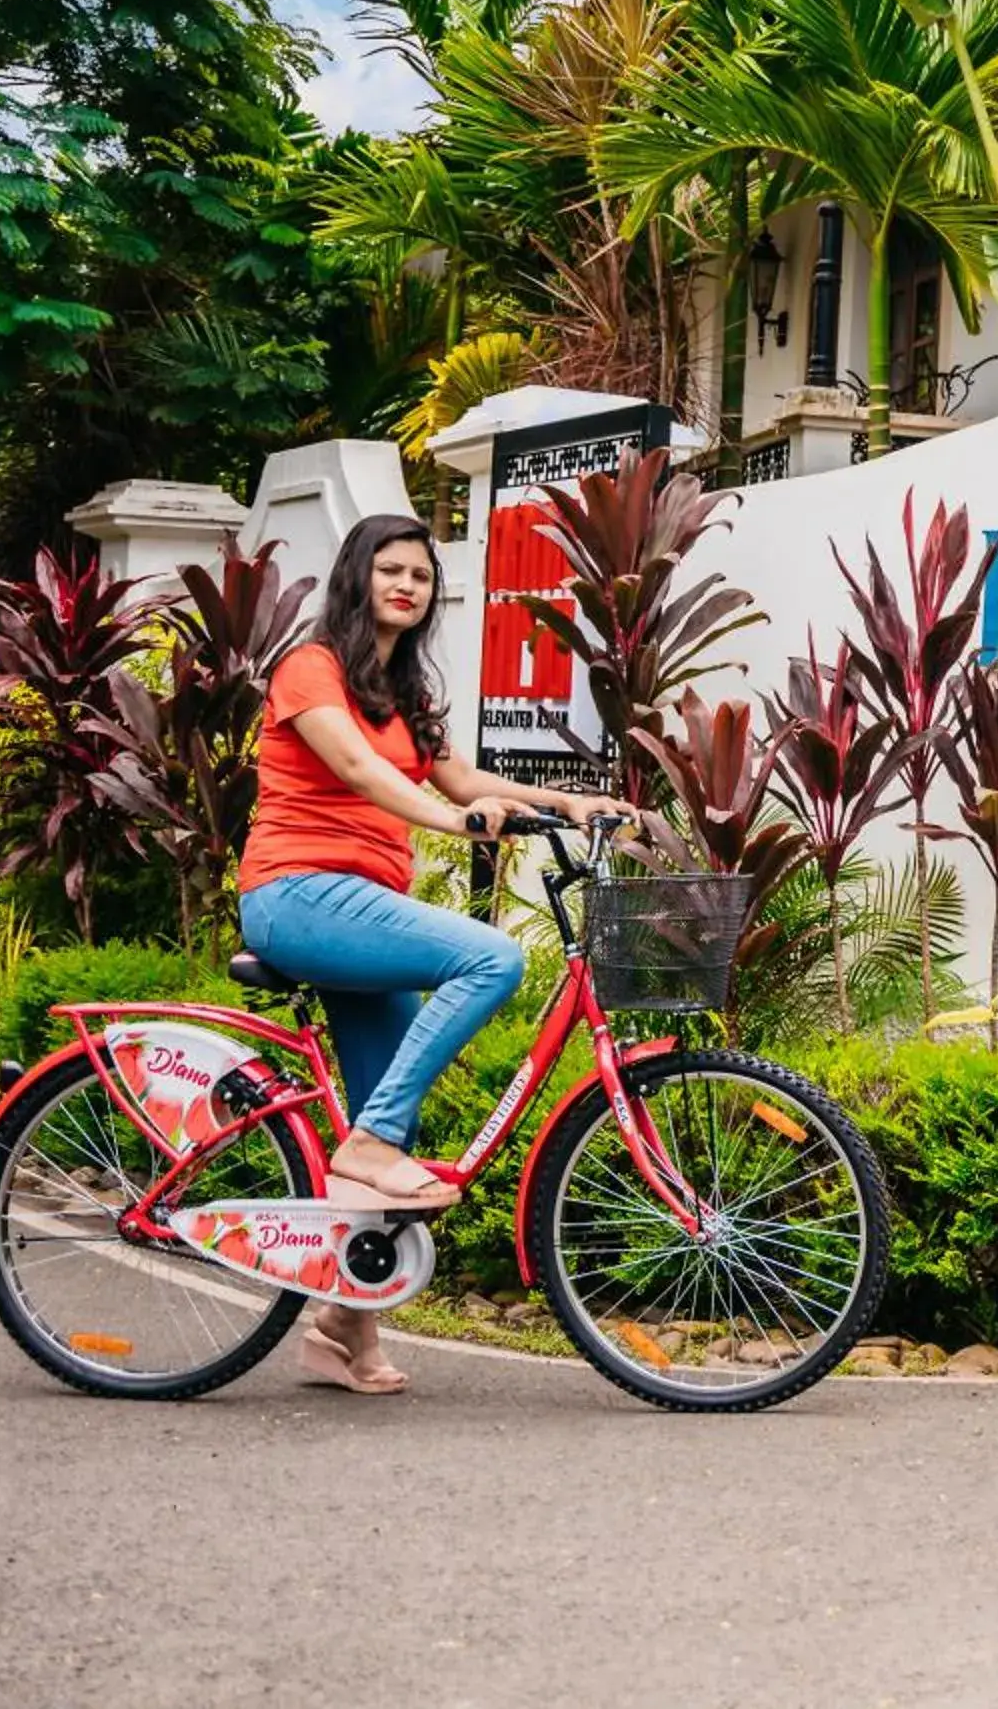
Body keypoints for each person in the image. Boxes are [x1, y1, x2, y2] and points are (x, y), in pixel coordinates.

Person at [236, 514, 609, 1395]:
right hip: (296, 894)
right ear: (357, 577)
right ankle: (363, 1148)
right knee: (490, 959)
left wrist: (566, 804)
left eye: (421, 576)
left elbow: (461, 778)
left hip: (360, 907)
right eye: (391, 571)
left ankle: (340, 1331)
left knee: (387, 1116)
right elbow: (365, 775)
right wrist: (454, 825)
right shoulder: (310, 666)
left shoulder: (394, 684)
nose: (407, 586)